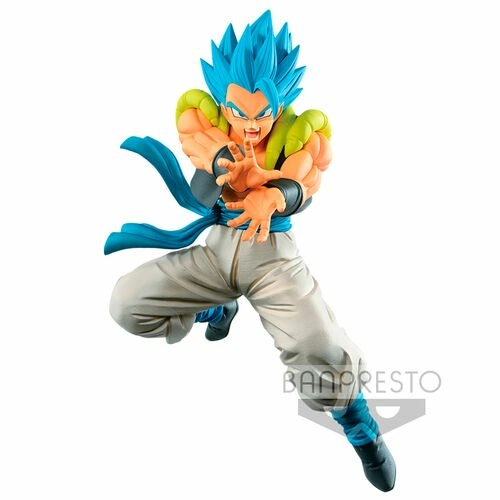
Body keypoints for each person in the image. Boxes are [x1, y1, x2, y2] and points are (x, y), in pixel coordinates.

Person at [105, 10, 396, 492]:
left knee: (318, 346)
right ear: (224, 102)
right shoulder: (207, 117)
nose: (252, 124)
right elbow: (196, 141)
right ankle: (215, 307)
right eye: (240, 112)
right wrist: (224, 161)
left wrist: (273, 194)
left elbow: (305, 177)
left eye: (263, 113)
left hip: (272, 257)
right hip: (216, 251)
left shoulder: (300, 132)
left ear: (282, 102)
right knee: (126, 303)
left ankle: (360, 426)